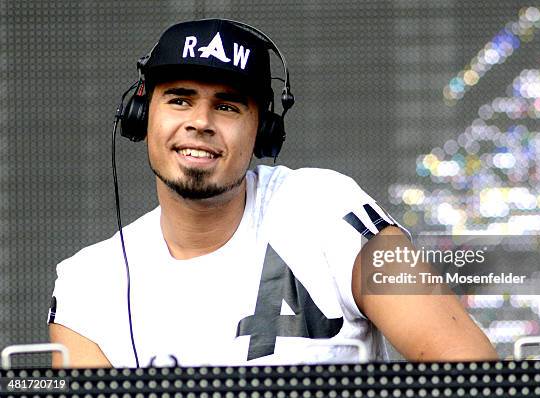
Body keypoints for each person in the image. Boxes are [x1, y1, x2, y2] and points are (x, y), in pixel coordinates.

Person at [48, 18, 498, 368]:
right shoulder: (88, 283)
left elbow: (466, 364)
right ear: (141, 115)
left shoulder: (327, 208)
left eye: (227, 106)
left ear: (262, 130)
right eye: (180, 99)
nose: (200, 122)